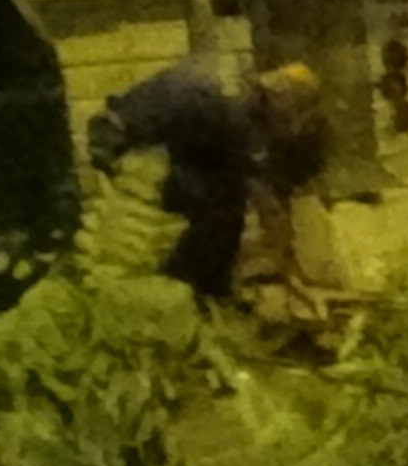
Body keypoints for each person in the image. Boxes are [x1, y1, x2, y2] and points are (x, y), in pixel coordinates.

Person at [85, 59, 331, 303]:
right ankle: (199, 288)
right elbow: (263, 196)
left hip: (163, 151)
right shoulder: (214, 104)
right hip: (150, 165)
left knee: (222, 203)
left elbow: (265, 190)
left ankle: (204, 287)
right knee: (216, 204)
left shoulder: (236, 111)